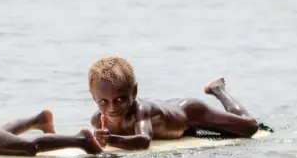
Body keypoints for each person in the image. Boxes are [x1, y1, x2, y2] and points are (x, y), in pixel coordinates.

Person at [88, 56, 261, 150]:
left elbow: (143, 141)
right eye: (103, 101)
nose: (112, 108)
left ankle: (218, 90)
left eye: (120, 99)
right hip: (166, 111)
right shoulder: (97, 120)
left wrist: (111, 139)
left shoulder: (141, 110)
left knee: (249, 127)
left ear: (134, 91)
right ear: (93, 97)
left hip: (188, 112)